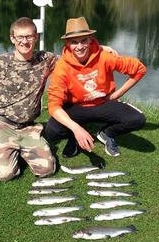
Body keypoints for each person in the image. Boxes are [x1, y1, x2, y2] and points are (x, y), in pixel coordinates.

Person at [0, 17, 57, 181]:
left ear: (35, 37)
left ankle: (19, 148)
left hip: (28, 126)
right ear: (12, 38)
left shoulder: (45, 59)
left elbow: (71, 60)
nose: (25, 41)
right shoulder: (1, 61)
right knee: (5, 175)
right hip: (3, 123)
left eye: (29, 36)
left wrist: (99, 48)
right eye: (20, 37)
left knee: (47, 170)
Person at [45, 17, 147, 158]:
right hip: (75, 108)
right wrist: (76, 129)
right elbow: (53, 105)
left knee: (137, 119)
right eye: (74, 42)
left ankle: (106, 133)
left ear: (90, 39)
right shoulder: (62, 67)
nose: (80, 46)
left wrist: (117, 95)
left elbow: (139, 69)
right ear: (67, 43)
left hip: (102, 104)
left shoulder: (105, 57)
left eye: (84, 40)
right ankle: (75, 136)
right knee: (52, 131)